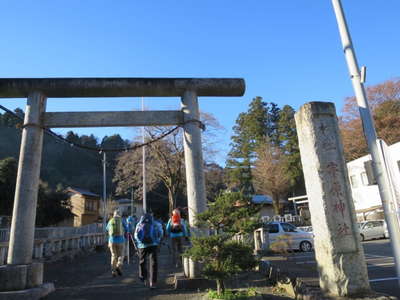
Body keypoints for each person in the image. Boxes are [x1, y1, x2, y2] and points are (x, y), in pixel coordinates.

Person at [134, 212, 163, 289]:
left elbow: (136, 236)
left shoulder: (139, 224)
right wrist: (157, 240)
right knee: (153, 263)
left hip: (142, 246)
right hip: (153, 245)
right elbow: (161, 233)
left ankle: (143, 278)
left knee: (142, 261)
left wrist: (140, 243)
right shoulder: (156, 224)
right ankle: (153, 282)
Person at [106, 209, 128, 277]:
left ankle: (113, 271)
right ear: (120, 214)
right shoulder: (122, 220)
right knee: (121, 255)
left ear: (114, 214)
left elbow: (106, 229)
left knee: (113, 255)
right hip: (121, 241)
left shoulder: (110, 221)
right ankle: (118, 266)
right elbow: (127, 229)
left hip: (112, 241)